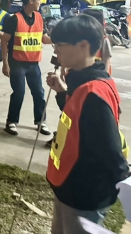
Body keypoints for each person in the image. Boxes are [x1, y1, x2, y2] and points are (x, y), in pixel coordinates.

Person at [46, 15, 129, 233]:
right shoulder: (80, 80)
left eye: (60, 46)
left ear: (83, 46)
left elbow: (109, 148)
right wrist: (62, 92)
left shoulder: (93, 93)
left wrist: (124, 183)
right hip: (68, 183)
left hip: (84, 191)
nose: (56, 51)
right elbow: (76, 117)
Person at [1, 0, 52, 136]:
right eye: (39, 0)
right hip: (17, 63)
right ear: (30, 1)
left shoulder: (39, 18)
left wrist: (59, 38)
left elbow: (44, 38)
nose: (40, 3)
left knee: (39, 93)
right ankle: (11, 121)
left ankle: (40, 121)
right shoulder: (14, 19)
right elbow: (4, 41)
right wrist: (5, 63)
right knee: (19, 93)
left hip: (34, 63)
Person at [82, 8, 112, 76]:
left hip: (98, 76)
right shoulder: (82, 38)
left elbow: (107, 60)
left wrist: (104, 76)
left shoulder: (104, 40)